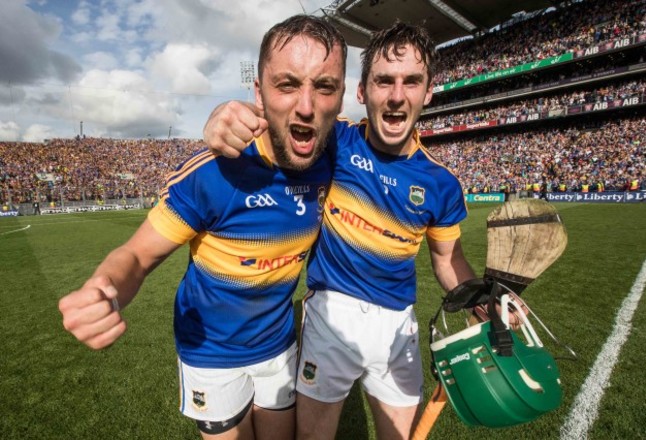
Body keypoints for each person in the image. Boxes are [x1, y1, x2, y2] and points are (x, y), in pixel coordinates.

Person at [58, 15, 347, 440]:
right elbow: (137, 256)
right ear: (258, 93)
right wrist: (105, 289)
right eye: (287, 84)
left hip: (279, 346)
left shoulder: (334, 152)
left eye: (324, 86)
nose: (307, 105)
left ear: (341, 96)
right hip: (210, 352)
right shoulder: (210, 173)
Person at [203, 22, 478, 440]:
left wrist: (484, 302)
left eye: (411, 82)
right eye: (384, 80)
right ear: (362, 92)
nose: (397, 95)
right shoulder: (336, 142)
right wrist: (220, 115)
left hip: (397, 327)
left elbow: (448, 260)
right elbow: (280, 120)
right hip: (330, 316)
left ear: (428, 92)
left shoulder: (442, 183)